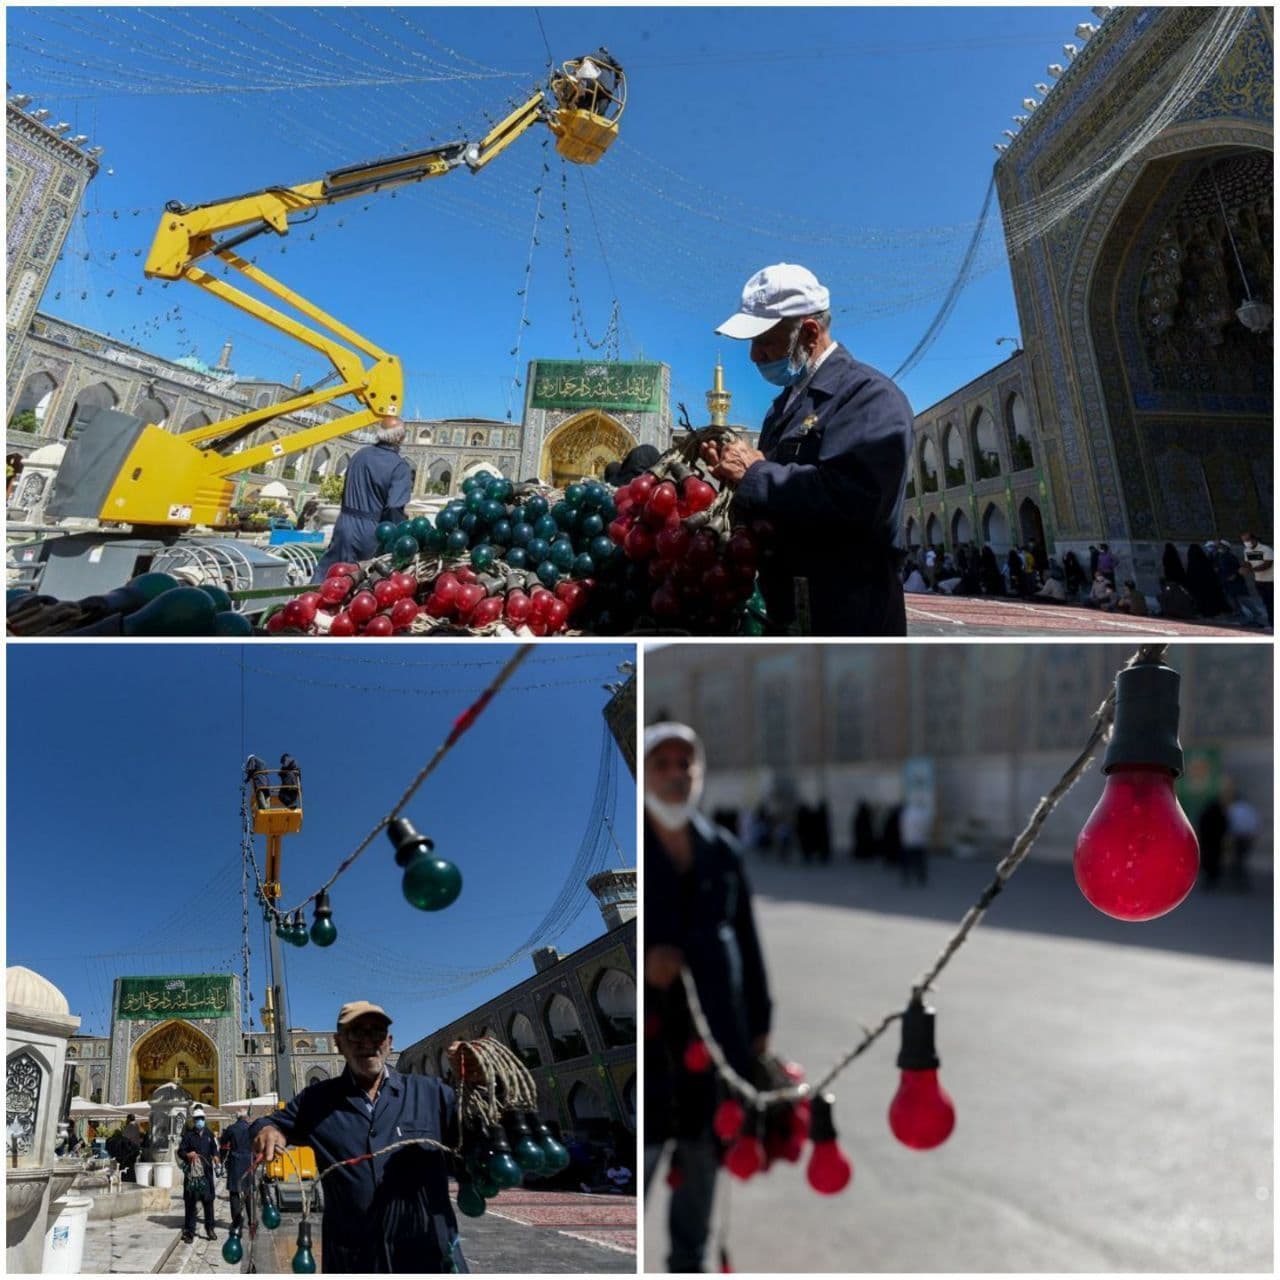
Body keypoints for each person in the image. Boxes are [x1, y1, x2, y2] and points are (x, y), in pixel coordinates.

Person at [703, 264, 912, 635]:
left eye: (764, 340)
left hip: (846, 622)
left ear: (809, 332)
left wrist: (755, 474)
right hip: (785, 616)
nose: (754, 355)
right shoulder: (781, 410)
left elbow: (858, 501)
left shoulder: (868, 398)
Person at [644, 723, 771, 1273]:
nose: (676, 774)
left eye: (685, 764)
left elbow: (747, 938)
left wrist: (760, 1025)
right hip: (649, 1050)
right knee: (641, 1167)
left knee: (698, 1177)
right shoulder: (642, 843)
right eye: (663, 763)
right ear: (647, 773)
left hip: (715, 1042)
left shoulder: (722, 850)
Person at [250, 1001, 467, 1273]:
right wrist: (267, 1130)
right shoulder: (318, 1102)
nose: (367, 1041)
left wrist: (478, 1081)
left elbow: (482, 1146)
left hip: (431, 1258)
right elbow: (267, 1123)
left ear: (389, 1041)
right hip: (353, 1262)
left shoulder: (430, 1093)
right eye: (356, 1033)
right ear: (338, 1043)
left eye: (376, 1032)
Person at [311, 416, 413, 582]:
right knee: (359, 581)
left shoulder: (359, 455)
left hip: (344, 524)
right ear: (400, 438)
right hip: (371, 531)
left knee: (328, 575)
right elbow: (394, 507)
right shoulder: (399, 466)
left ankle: (306, 603)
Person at [179, 1106, 220, 1243]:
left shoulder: (209, 1134)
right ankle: (189, 1231)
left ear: (204, 1119)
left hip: (206, 1174)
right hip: (193, 1175)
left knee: (208, 1202)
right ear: (194, 1120)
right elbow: (180, 1151)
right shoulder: (188, 1136)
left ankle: (210, 1229)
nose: (200, 1121)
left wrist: (215, 1156)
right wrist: (187, 1155)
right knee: (191, 1204)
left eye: (201, 1118)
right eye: (197, 1119)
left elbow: (214, 1149)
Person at [219, 1107, 253, 1233]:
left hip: (235, 1162)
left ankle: (237, 1221)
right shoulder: (251, 1128)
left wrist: (222, 1159)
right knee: (248, 1193)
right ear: (246, 1117)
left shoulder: (231, 1128)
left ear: (237, 1117)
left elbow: (223, 1142)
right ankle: (251, 1220)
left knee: (234, 1193)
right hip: (248, 1163)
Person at [1226, 791, 1258, 892]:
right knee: (1242, 860)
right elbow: (1255, 823)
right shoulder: (1250, 809)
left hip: (1236, 837)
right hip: (1247, 837)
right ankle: (1241, 881)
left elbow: (1230, 824)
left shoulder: (1232, 809)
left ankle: (1237, 882)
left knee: (1236, 860)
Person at [1240, 531, 1273, 625]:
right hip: (1259, 581)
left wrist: (1250, 570)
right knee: (1267, 602)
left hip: (1271, 580)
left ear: (1254, 540)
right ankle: (1272, 623)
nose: (1245, 542)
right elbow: (1248, 562)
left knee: (1272, 603)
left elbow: (1267, 564)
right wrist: (1244, 567)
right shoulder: (1247, 550)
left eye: (1247, 540)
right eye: (1243, 541)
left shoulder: (1265, 549)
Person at [898, 800, 930, 887]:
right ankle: (921, 877)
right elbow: (926, 828)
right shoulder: (923, 814)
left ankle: (906, 878)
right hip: (920, 841)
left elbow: (902, 827)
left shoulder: (906, 814)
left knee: (907, 861)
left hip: (908, 841)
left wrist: (904, 838)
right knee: (920, 861)